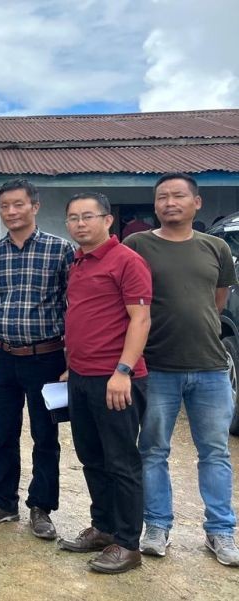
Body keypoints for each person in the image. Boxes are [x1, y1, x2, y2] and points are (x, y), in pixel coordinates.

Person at [124, 173, 239, 567]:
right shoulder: (138, 245)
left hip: (210, 367)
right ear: (155, 204)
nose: (169, 202)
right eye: (162, 197)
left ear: (197, 202)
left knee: (215, 452)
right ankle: (157, 525)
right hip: (157, 366)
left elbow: (218, 301)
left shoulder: (216, 247)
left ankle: (220, 531)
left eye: (178, 196)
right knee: (153, 449)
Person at [0, 179, 74, 538]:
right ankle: (2, 502)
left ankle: (41, 508)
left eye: (18, 204)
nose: (11, 212)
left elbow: (74, 305)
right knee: (2, 433)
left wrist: (71, 358)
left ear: (34, 206)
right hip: (1, 356)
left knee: (45, 436)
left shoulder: (60, 250)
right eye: (5, 206)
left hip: (46, 357)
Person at [59, 192, 151, 574]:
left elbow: (140, 319)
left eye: (88, 216)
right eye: (73, 218)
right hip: (81, 377)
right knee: (91, 457)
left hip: (116, 380)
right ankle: (103, 527)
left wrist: (123, 371)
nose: (80, 224)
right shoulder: (78, 261)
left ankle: (128, 544)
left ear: (108, 220)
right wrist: (72, 366)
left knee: (121, 462)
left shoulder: (127, 260)